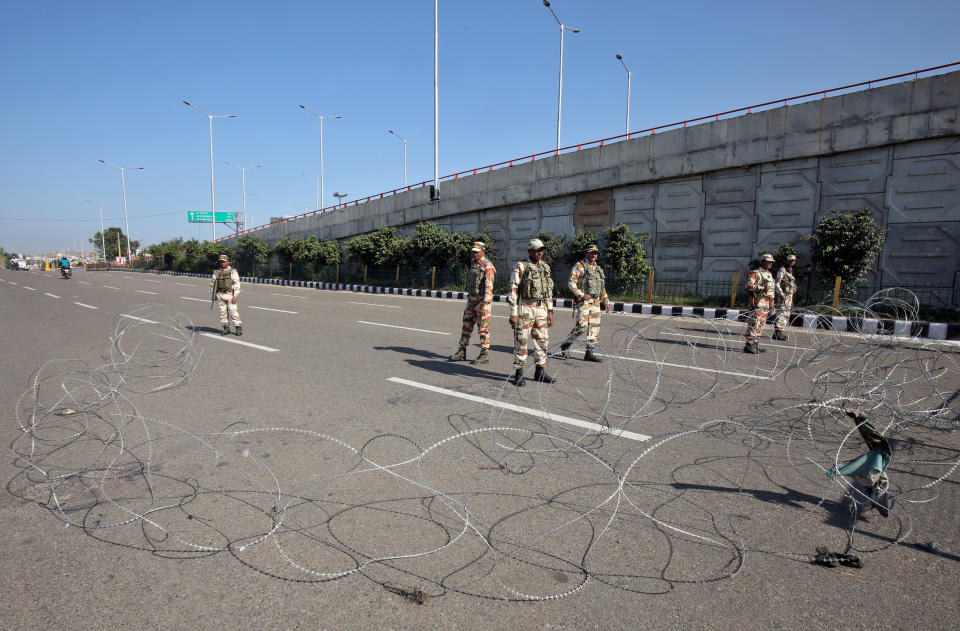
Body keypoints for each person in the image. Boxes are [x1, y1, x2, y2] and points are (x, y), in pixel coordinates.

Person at [507, 238, 556, 386]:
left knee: (542, 341)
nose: (540, 252)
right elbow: (513, 289)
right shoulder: (521, 266)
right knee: (521, 341)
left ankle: (540, 371)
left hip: (541, 309)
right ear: (530, 251)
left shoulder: (545, 268)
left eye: (541, 250)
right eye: (536, 250)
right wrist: (514, 312)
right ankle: (519, 372)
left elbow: (548, 292)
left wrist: (550, 311)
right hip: (526, 308)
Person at [827, 408, 893, 517]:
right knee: (874, 438)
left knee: (874, 438)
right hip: (878, 461)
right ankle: (860, 417)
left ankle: (860, 417)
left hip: (877, 464)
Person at [559, 244, 610, 362]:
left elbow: (601, 287)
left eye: (595, 253)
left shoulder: (598, 268)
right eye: (591, 252)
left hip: (596, 302)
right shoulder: (579, 266)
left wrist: (606, 301)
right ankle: (566, 345)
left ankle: (589, 353)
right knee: (581, 327)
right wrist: (581, 295)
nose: (593, 255)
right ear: (586, 253)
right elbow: (571, 283)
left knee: (594, 327)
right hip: (584, 302)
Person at [449, 241, 496, 364]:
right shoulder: (473, 264)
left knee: (483, 328)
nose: (474, 254)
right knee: (466, 326)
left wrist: (486, 304)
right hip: (471, 300)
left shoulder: (488, 265)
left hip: (482, 302)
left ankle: (484, 354)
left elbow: (489, 286)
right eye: (473, 252)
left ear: (483, 252)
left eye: (476, 252)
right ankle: (462, 351)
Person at [743, 253, 776, 354]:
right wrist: (762, 288)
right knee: (754, 323)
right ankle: (749, 345)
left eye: (771, 262)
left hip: (766, 302)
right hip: (757, 302)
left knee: (761, 324)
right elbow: (749, 286)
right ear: (763, 262)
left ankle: (755, 344)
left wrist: (772, 303)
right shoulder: (755, 273)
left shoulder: (769, 274)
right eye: (768, 261)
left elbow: (771, 291)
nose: (770, 263)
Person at [210, 254, 242, 336]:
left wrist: (235, 296)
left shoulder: (233, 271)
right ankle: (226, 328)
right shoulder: (216, 272)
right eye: (221, 262)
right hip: (220, 295)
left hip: (230, 294)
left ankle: (238, 328)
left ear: (228, 262)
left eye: (224, 262)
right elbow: (213, 284)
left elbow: (237, 284)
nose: (222, 263)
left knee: (233, 311)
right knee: (222, 312)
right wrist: (213, 296)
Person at [772, 254, 797, 341]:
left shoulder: (791, 271)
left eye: (793, 260)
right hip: (783, 295)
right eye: (790, 260)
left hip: (789, 296)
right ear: (787, 260)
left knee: (786, 314)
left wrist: (791, 298)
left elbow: (792, 286)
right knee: (782, 313)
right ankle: (777, 332)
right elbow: (777, 283)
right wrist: (781, 294)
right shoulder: (783, 270)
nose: (791, 262)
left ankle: (780, 331)